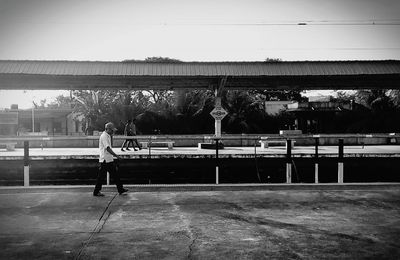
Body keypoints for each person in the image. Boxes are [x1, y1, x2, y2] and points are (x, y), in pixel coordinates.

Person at [93, 122, 128, 197]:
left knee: (114, 175)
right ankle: (96, 191)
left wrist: (111, 136)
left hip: (108, 159)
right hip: (105, 160)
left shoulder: (108, 136)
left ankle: (120, 189)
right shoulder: (104, 136)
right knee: (103, 177)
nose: (113, 132)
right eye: (112, 130)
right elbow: (108, 148)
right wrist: (116, 156)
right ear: (107, 129)